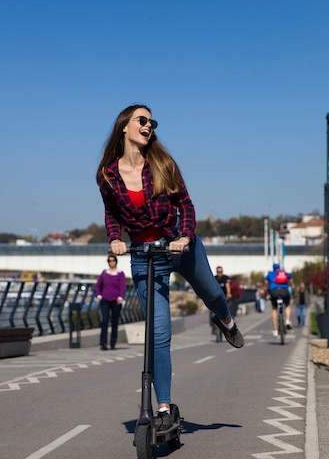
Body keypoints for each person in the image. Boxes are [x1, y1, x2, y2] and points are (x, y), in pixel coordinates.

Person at [96, 104, 244, 431]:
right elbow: (111, 215)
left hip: (179, 245)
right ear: (124, 126)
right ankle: (163, 408)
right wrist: (115, 239)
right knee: (160, 334)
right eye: (142, 120)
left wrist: (186, 236)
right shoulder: (106, 175)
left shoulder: (162, 164)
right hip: (145, 255)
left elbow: (186, 205)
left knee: (213, 293)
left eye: (152, 122)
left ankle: (227, 321)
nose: (149, 126)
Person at [95, 255, 126, 350]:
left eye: (113, 260)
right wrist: (99, 295)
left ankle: (113, 343)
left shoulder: (120, 273)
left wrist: (121, 297)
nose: (111, 262)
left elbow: (122, 286)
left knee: (114, 322)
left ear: (116, 261)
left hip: (116, 301)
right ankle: (103, 343)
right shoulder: (104, 273)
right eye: (109, 261)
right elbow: (97, 285)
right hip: (105, 300)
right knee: (104, 320)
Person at [264, 263, 293, 337]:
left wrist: (265, 295)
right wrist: (293, 292)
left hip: (274, 292)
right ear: (279, 268)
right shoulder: (285, 273)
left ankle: (275, 329)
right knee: (287, 305)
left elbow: (266, 285)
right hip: (284, 291)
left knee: (274, 308)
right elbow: (291, 282)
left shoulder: (270, 274)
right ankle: (287, 320)